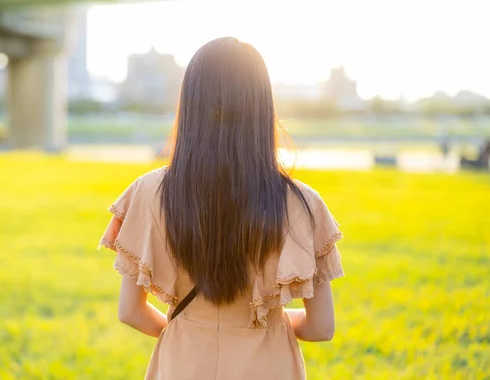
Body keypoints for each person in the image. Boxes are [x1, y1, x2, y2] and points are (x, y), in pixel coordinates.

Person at [99, 37, 344, 379]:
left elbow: (130, 312)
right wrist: (271, 321)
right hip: (267, 364)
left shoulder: (148, 192)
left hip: (181, 362)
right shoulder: (303, 204)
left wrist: (188, 328)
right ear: (261, 106)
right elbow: (321, 327)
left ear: (191, 103)